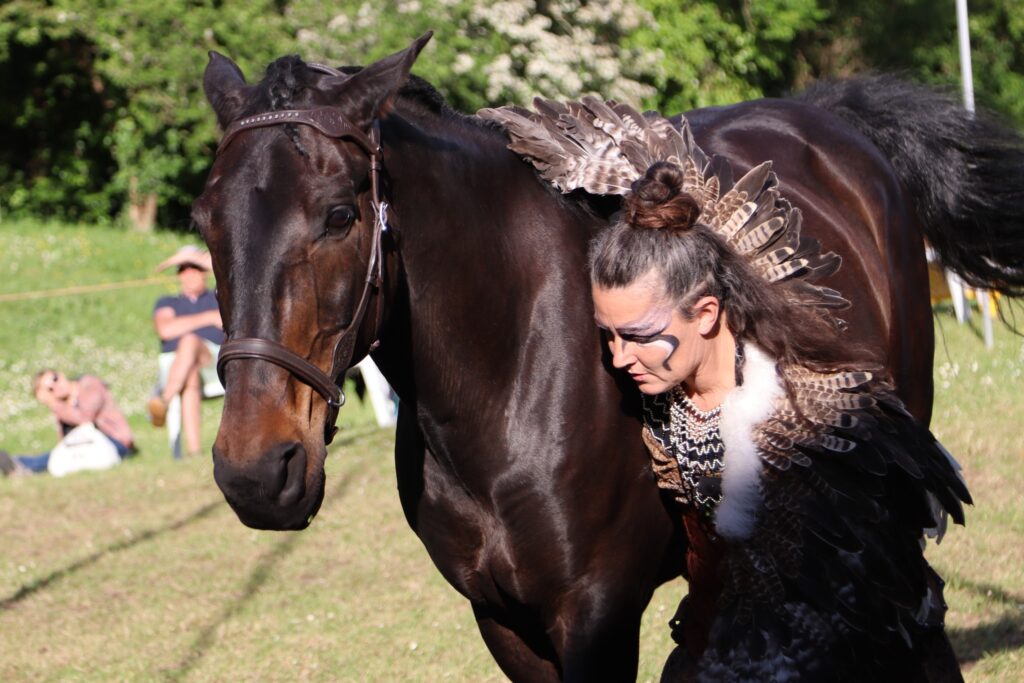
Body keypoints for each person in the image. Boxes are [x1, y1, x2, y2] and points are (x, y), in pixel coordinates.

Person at [485, 100, 972, 679]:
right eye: (608, 335)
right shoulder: (668, 385)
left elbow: (857, 615)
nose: (618, 358)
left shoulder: (809, 428)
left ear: (708, 313)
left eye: (639, 336)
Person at [147, 245, 224, 458]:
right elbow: (165, 329)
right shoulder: (167, 302)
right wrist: (209, 318)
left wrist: (187, 325)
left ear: (205, 272)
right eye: (184, 269)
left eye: (195, 268)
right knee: (189, 371)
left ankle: (164, 399)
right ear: (179, 275)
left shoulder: (219, 296)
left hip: (213, 361)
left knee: (189, 340)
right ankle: (194, 450)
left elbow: (222, 320)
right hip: (180, 368)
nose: (190, 274)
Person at [0, 368, 136, 476]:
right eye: (49, 389)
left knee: (53, 457)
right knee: (58, 455)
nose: (55, 386)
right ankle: (17, 463)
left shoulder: (89, 384)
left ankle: (21, 465)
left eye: (55, 378)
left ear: (61, 374)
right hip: (85, 447)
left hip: (116, 442)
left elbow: (85, 418)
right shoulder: (62, 404)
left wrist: (54, 403)